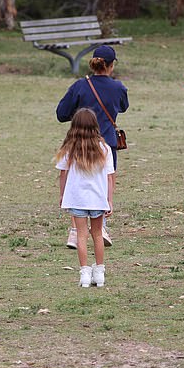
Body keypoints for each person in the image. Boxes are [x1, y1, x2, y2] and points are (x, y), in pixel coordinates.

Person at [56, 45, 129, 249]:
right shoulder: (119, 88)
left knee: (75, 180)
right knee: (106, 179)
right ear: (111, 65)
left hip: (78, 141)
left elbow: (61, 113)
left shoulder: (79, 86)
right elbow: (123, 106)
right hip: (106, 143)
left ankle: (74, 232)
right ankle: (102, 227)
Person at [55, 108, 115, 287]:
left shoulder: (70, 149)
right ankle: (100, 274)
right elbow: (110, 176)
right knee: (97, 235)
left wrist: (62, 194)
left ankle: (84, 275)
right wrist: (109, 200)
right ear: (95, 125)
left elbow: (63, 174)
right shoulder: (104, 148)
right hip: (98, 198)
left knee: (81, 236)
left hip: (77, 198)